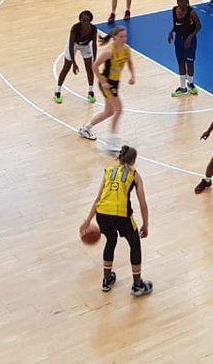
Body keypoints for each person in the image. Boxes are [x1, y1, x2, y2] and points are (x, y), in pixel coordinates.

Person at [80, 144, 152, 296]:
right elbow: (143, 203)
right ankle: (137, 285)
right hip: (121, 215)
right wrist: (145, 224)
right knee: (134, 244)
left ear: (120, 157)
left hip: (102, 214)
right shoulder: (134, 175)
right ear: (133, 160)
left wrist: (88, 220)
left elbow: (98, 198)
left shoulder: (108, 171)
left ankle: (106, 280)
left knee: (111, 241)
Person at [78, 27, 135, 141]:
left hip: (115, 82)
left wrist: (132, 75)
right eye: (121, 36)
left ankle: (86, 128)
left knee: (109, 112)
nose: (124, 39)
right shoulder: (109, 52)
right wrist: (103, 82)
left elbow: (130, 62)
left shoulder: (126, 49)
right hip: (107, 83)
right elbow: (94, 66)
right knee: (119, 109)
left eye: (125, 36)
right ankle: (113, 139)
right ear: (114, 37)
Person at [55, 10, 97, 104]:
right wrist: (74, 63)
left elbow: (94, 45)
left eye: (87, 21)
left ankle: (91, 91)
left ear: (90, 21)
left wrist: (95, 60)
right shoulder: (75, 28)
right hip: (74, 44)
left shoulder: (93, 29)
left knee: (89, 68)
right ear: (80, 20)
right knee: (66, 67)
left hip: (85, 45)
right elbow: (71, 46)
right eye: (83, 20)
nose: (85, 23)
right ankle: (57, 91)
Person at [166, 0, 202, 97]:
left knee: (190, 64)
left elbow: (199, 26)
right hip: (178, 40)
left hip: (189, 41)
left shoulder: (192, 13)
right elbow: (177, 25)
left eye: (182, 1)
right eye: (178, 1)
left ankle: (190, 84)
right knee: (181, 63)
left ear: (187, 1)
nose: (180, 4)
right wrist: (171, 32)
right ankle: (183, 88)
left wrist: (190, 37)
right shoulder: (174, 10)